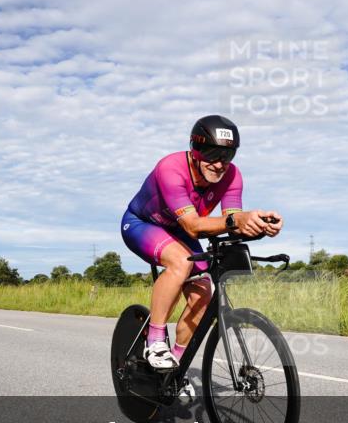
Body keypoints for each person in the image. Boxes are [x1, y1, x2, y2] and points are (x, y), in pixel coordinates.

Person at [121, 115, 282, 370]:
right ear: (195, 149)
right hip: (143, 224)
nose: (219, 164)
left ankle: (176, 366)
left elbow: (231, 222)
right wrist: (237, 221)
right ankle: (154, 340)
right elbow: (194, 226)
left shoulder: (232, 176)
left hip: (181, 231)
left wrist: (258, 226)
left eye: (227, 156)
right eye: (211, 153)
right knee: (180, 262)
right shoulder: (171, 168)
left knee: (203, 292)